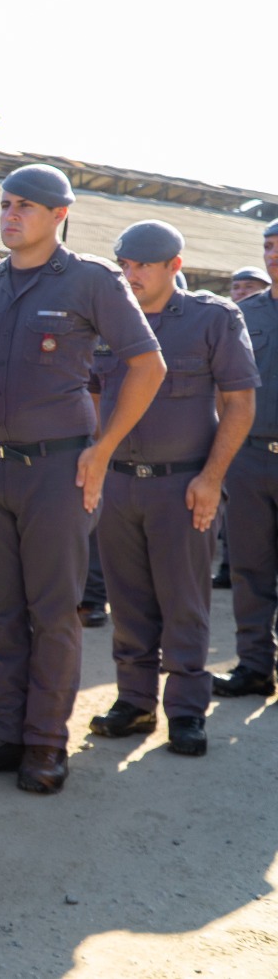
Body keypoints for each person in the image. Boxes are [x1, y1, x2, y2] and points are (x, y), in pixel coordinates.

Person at [0, 164, 164, 795]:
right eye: (6, 204)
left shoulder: (91, 280)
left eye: (27, 207)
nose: (11, 216)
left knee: (52, 610)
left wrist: (104, 450)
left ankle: (44, 741)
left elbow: (147, 366)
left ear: (59, 215)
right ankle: (3, 731)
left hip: (56, 468)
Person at [87, 221, 256, 757]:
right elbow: (92, 397)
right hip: (117, 486)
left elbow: (239, 404)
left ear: (173, 267)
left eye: (142, 266)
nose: (130, 275)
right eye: (126, 265)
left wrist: (211, 479)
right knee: (128, 600)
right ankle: (135, 702)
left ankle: (186, 710)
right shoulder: (106, 319)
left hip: (181, 485)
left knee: (184, 603)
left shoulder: (213, 318)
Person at [218, 219, 278, 699]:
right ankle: (254, 666)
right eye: (268, 247)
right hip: (250, 457)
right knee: (248, 567)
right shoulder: (243, 315)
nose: (273, 255)